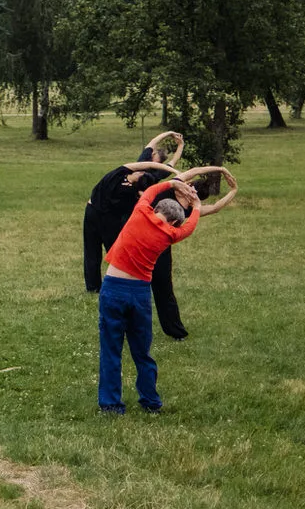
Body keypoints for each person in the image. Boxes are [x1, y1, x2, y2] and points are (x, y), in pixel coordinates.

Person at [98, 168, 236, 413]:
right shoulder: (172, 234)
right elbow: (192, 222)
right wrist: (207, 198)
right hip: (140, 292)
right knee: (142, 352)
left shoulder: (140, 212)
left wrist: (174, 182)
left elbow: (152, 190)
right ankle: (150, 403)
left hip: (114, 288)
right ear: (174, 221)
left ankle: (111, 405)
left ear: (156, 209)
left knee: (111, 350)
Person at [82, 132, 194, 340]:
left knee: (116, 263)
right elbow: (163, 160)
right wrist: (173, 150)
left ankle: (102, 292)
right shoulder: (140, 179)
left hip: (110, 219)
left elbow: (158, 159)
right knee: (126, 269)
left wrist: (172, 144)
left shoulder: (135, 177)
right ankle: (100, 290)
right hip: (113, 220)